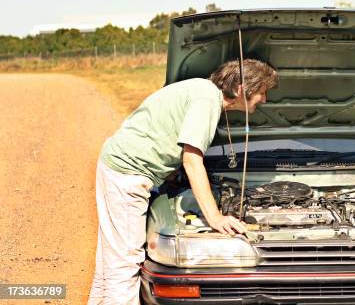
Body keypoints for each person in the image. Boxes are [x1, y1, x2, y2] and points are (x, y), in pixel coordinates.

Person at [87, 59, 278, 305]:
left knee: (109, 261)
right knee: (125, 263)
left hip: (119, 167)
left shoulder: (202, 91)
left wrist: (170, 174)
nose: (265, 99)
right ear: (242, 89)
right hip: (128, 174)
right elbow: (192, 160)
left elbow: (165, 134)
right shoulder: (207, 101)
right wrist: (215, 218)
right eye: (263, 91)